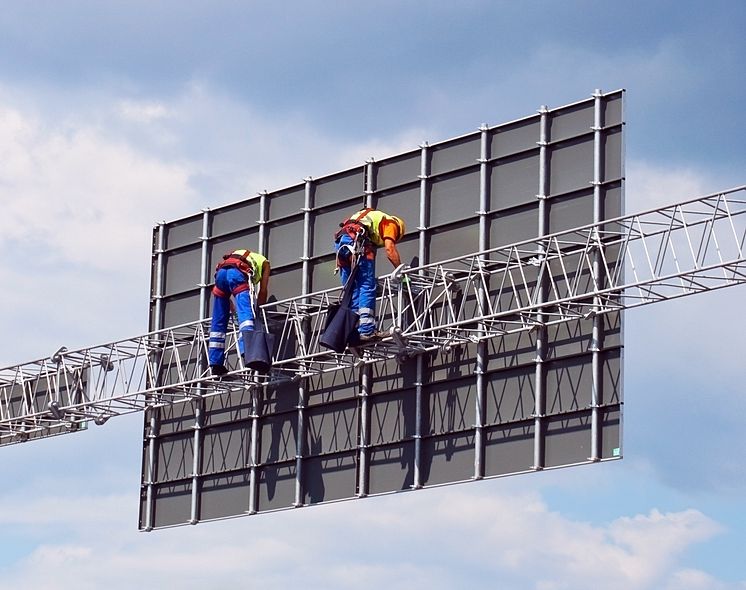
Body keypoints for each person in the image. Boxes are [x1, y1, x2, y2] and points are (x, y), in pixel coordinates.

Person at [333, 208, 405, 342]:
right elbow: (390, 249)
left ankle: (352, 332)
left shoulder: (364, 217)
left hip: (341, 245)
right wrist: (401, 271)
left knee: (352, 290)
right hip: (358, 243)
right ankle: (366, 330)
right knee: (366, 286)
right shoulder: (392, 223)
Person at [208, 248, 270, 376]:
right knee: (246, 315)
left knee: (218, 321)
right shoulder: (265, 263)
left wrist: (231, 307)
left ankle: (215, 363)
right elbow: (263, 291)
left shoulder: (237, 253)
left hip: (221, 275)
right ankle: (247, 350)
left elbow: (229, 301)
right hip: (237, 273)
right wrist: (258, 312)